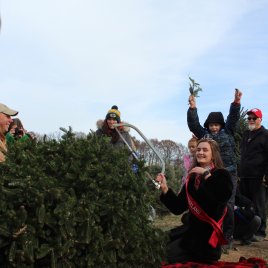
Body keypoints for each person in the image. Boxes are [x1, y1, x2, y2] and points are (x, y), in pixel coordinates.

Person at [156, 138, 233, 264]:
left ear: (213, 155)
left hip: (207, 239)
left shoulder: (221, 174)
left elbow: (223, 195)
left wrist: (206, 174)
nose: (200, 152)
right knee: (159, 246)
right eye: (198, 150)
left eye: (205, 150)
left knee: (166, 255)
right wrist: (165, 188)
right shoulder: (192, 178)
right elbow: (178, 208)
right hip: (190, 233)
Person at [187, 89, 242, 250]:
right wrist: (192, 108)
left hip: (229, 173)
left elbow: (233, 118)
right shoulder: (204, 135)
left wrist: (236, 102)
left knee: (228, 204)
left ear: (221, 125)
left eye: (216, 124)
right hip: (210, 173)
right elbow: (193, 124)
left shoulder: (229, 131)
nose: (214, 127)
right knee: (209, 202)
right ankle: (208, 232)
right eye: (211, 125)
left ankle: (227, 236)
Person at [239, 108, 268, 242]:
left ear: (260, 120)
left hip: (259, 176)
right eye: (249, 118)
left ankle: (261, 232)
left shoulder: (265, 134)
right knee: (247, 205)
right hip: (245, 176)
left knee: (259, 205)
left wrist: (266, 175)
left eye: (253, 118)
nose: (250, 120)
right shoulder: (246, 134)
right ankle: (248, 231)